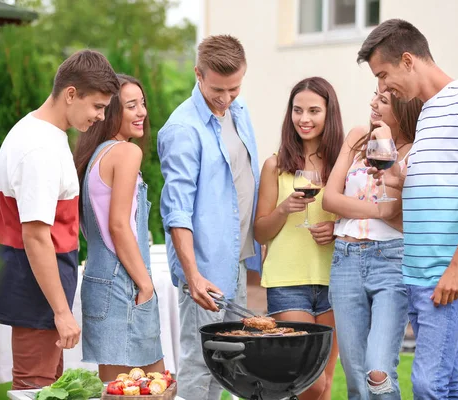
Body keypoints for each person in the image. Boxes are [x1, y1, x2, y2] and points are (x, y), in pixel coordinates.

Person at [358, 19, 458, 399]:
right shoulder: (426, 115)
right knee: (444, 382)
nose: (382, 88)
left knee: (428, 384)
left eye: (384, 75)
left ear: (408, 60)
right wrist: (389, 171)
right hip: (418, 269)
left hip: (447, 271)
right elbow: (427, 189)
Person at [0, 50, 119, 390]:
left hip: (38, 286)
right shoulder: (39, 149)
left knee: (49, 388)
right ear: (70, 94)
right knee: (35, 388)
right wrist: (62, 311)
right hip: (34, 288)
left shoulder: (44, 134)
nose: (101, 117)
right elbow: (35, 236)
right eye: (97, 106)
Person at [157, 34, 261, 400]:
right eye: (218, 89)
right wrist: (193, 275)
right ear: (198, 74)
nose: (226, 97)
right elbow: (177, 211)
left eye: (234, 88)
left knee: (231, 361)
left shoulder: (239, 110)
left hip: (235, 259)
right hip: (203, 268)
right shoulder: (183, 130)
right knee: (202, 362)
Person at [323, 88, 423, 399]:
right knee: (354, 376)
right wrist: (377, 210)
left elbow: (394, 210)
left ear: (403, 107)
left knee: (377, 370)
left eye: (383, 100)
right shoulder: (356, 136)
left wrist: (386, 142)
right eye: (373, 95)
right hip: (345, 259)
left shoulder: (414, 152)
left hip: (391, 260)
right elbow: (330, 198)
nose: (372, 103)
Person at [254, 77, 343, 400]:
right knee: (308, 381)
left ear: (329, 114)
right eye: (297, 110)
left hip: (335, 279)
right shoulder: (275, 166)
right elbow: (260, 231)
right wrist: (284, 209)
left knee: (327, 382)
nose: (304, 118)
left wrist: (337, 229)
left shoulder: (342, 165)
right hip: (287, 281)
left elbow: (356, 219)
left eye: (314, 111)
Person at [73, 74, 165, 381]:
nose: (142, 113)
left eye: (142, 103)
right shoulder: (127, 152)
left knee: (115, 387)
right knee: (153, 386)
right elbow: (118, 226)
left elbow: (94, 228)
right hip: (124, 284)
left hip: (100, 280)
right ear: (112, 112)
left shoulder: (94, 154)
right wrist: (146, 285)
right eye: (131, 106)